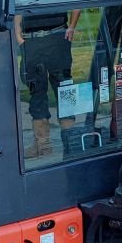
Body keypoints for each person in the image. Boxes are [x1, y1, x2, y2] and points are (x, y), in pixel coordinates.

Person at [16, 9, 81, 157]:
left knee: (65, 91)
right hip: (30, 41)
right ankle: (42, 145)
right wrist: (18, 36)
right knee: (36, 91)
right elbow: (16, 6)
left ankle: (70, 142)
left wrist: (71, 26)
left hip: (57, 37)